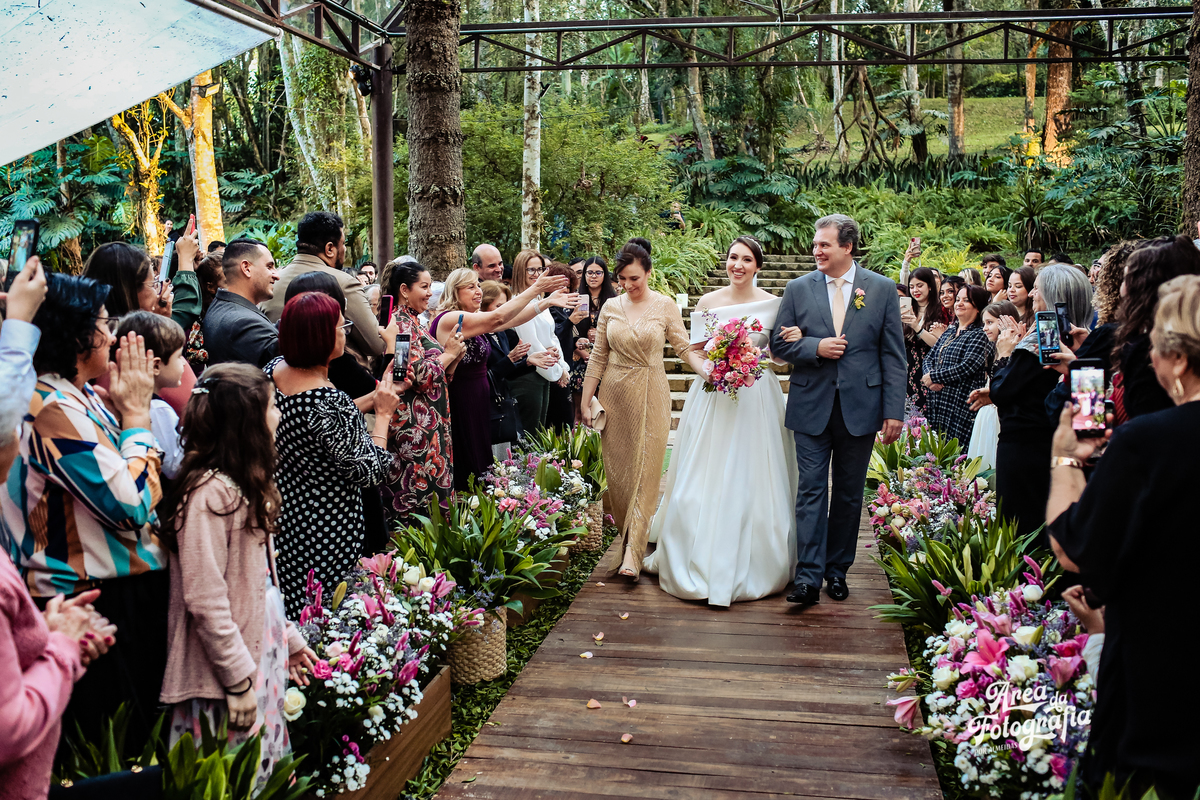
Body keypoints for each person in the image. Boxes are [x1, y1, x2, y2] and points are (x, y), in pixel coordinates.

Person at [1046, 274, 1200, 799]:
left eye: (1153, 344)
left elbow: (1073, 549)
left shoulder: (1150, 442)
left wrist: (1067, 458)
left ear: (1177, 358)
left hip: (1164, 683)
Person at [4, 273, 168, 743]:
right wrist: (137, 416)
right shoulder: (49, 406)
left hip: (112, 594)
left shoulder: (78, 395)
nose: (113, 336)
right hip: (87, 599)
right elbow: (131, 505)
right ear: (77, 337)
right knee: (116, 748)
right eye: (103, 323)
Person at [157, 364, 316, 792]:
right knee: (233, 778)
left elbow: (258, 585)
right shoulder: (209, 495)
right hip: (224, 675)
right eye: (272, 406)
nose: (279, 414)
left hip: (256, 649)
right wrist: (238, 679)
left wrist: (287, 637)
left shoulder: (239, 484)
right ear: (246, 422)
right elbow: (206, 599)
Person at [644, 236, 800, 605]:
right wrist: (711, 371)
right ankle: (691, 546)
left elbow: (778, 356)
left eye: (746, 259)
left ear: (757, 266)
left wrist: (779, 346)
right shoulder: (708, 302)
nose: (738, 265)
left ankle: (760, 557)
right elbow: (696, 351)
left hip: (756, 396)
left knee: (755, 471)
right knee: (703, 470)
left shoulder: (774, 304)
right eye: (733, 257)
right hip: (714, 395)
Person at [770, 215, 907, 607]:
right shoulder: (798, 288)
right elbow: (778, 345)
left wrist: (893, 410)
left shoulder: (880, 289)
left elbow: (893, 355)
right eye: (815, 244)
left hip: (860, 407)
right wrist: (815, 347)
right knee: (810, 490)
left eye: (824, 245)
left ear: (847, 247)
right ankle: (808, 578)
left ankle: (837, 571)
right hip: (811, 405)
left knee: (848, 494)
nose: (816, 250)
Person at [264, 292, 399, 615]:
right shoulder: (328, 400)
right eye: (342, 327)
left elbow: (319, 430)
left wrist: (371, 399)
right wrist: (382, 414)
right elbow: (369, 470)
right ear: (322, 336)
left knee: (295, 604)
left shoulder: (272, 372)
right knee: (327, 611)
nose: (346, 333)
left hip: (286, 513)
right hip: (329, 524)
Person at [581, 240, 705, 580]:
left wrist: (710, 370)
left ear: (648, 273)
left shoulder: (665, 305)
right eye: (622, 279)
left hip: (652, 392)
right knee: (619, 475)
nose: (628, 285)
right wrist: (586, 400)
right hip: (614, 395)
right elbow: (598, 356)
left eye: (634, 278)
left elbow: (684, 347)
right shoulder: (610, 307)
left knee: (647, 471)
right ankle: (626, 540)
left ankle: (633, 554)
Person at [991, 263, 1093, 540]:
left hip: (1028, 447)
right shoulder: (1088, 343)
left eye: (1038, 288)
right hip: (1064, 449)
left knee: (1024, 535)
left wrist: (1004, 355)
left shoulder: (1043, 340)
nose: (1033, 293)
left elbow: (1002, 392)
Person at [377, 260, 463, 526]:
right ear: (404, 290)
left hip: (430, 426)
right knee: (418, 504)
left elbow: (435, 374)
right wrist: (448, 354)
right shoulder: (401, 324)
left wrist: (453, 357)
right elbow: (413, 375)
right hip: (414, 431)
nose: (429, 293)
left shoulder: (415, 321)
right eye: (424, 287)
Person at [82, 239, 200, 414]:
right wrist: (157, 330)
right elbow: (186, 401)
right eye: (153, 285)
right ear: (129, 291)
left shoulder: (95, 337)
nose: (158, 292)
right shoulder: (130, 346)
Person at [261, 211, 384, 368]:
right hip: (338, 377)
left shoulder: (273, 283)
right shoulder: (343, 283)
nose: (344, 249)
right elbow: (375, 345)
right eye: (343, 244)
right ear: (330, 249)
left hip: (282, 373)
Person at [1110, 235, 1200, 423]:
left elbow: (1148, 427)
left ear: (1143, 288)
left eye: (1127, 278)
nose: (1121, 288)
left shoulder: (1147, 351)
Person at [1043, 241, 1137, 420]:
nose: (1095, 273)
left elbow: (1075, 414)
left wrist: (1077, 370)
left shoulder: (1112, 333)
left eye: (1101, 268)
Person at [283, 272, 377, 404]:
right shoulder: (330, 391)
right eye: (342, 326)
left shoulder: (276, 366)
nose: (345, 332)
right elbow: (349, 408)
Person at [115, 312, 188, 479]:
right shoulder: (157, 409)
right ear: (155, 366)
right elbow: (174, 465)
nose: (184, 363)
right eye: (179, 356)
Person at [507, 251, 572, 433]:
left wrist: (562, 366)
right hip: (528, 374)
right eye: (531, 269)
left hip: (546, 370)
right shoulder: (517, 301)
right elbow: (531, 344)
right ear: (520, 271)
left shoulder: (539, 299)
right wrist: (558, 372)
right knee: (530, 432)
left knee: (541, 430)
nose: (537, 274)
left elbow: (552, 337)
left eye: (540, 269)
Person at [922, 285, 993, 445]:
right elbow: (929, 358)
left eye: (966, 300)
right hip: (938, 399)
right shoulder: (950, 330)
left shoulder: (980, 334)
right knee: (935, 447)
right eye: (958, 299)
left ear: (978, 307)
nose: (959, 303)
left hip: (961, 401)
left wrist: (934, 377)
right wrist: (929, 378)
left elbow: (968, 365)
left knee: (956, 450)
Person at [479, 281, 544, 458]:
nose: (504, 311)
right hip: (484, 402)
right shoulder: (477, 333)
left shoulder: (501, 332)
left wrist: (528, 362)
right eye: (499, 306)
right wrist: (509, 359)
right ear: (484, 306)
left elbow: (508, 373)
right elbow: (486, 374)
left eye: (506, 305)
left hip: (503, 401)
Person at [203, 239, 281, 368]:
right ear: (246, 268)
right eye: (269, 266)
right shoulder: (242, 321)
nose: (277, 275)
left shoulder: (223, 304)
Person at [966, 300, 1021, 470]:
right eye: (984, 323)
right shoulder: (994, 348)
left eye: (990, 322)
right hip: (987, 414)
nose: (985, 328)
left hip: (1000, 416)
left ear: (1006, 322)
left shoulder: (1015, 350)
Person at [901, 267, 949, 414]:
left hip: (928, 370)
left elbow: (938, 344)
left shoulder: (941, 310)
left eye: (919, 285)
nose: (915, 290)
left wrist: (917, 327)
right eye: (911, 286)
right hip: (905, 369)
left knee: (926, 416)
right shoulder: (907, 309)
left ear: (930, 286)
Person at [545, 262, 583, 429]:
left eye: (568, 287)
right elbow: (553, 337)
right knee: (560, 421)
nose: (566, 290)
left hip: (565, 367)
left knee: (567, 420)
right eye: (561, 286)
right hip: (553, 370)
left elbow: (565, 336)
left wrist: (577, 342)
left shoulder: (562, 308)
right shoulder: (546, 308)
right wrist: (570, 322)